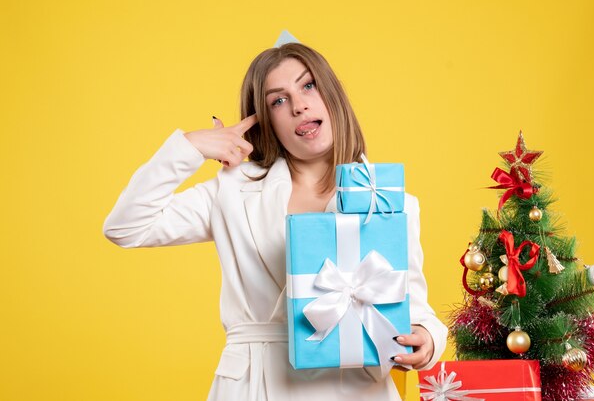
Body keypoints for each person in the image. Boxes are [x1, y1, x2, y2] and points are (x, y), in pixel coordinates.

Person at [103, 39, 447, 401]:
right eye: (278, 100)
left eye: (308, 85)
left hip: (355, 389)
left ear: (332, 96)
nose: (299, 105)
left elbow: (412, 305)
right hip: (256, 385)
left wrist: (425, 337)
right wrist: (190, 147)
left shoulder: (390, 199)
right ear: (267, 121)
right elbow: (126, 227)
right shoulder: (231, 191)